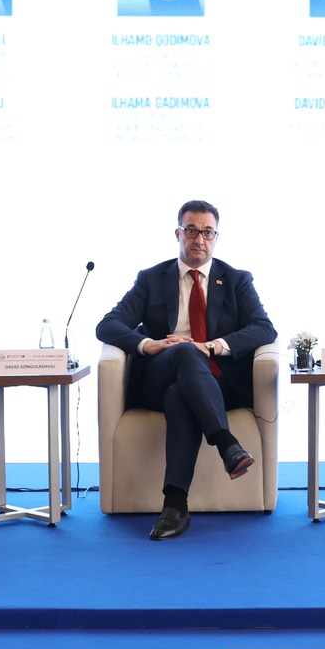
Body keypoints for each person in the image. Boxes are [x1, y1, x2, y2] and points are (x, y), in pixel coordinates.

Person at [96, 200, 275, 539]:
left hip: (216, 382)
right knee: (183, 352)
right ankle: (226, 444)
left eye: (207, 232)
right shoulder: (151, 279)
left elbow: (264, 328)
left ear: (216, 237)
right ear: (178, 234)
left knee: (182, 394)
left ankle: (175, 507)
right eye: (191, 231)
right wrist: (148, 344)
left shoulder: (236, 280)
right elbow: (108, 325)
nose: (199, 239)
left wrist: (211, 346)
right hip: (159, 372)